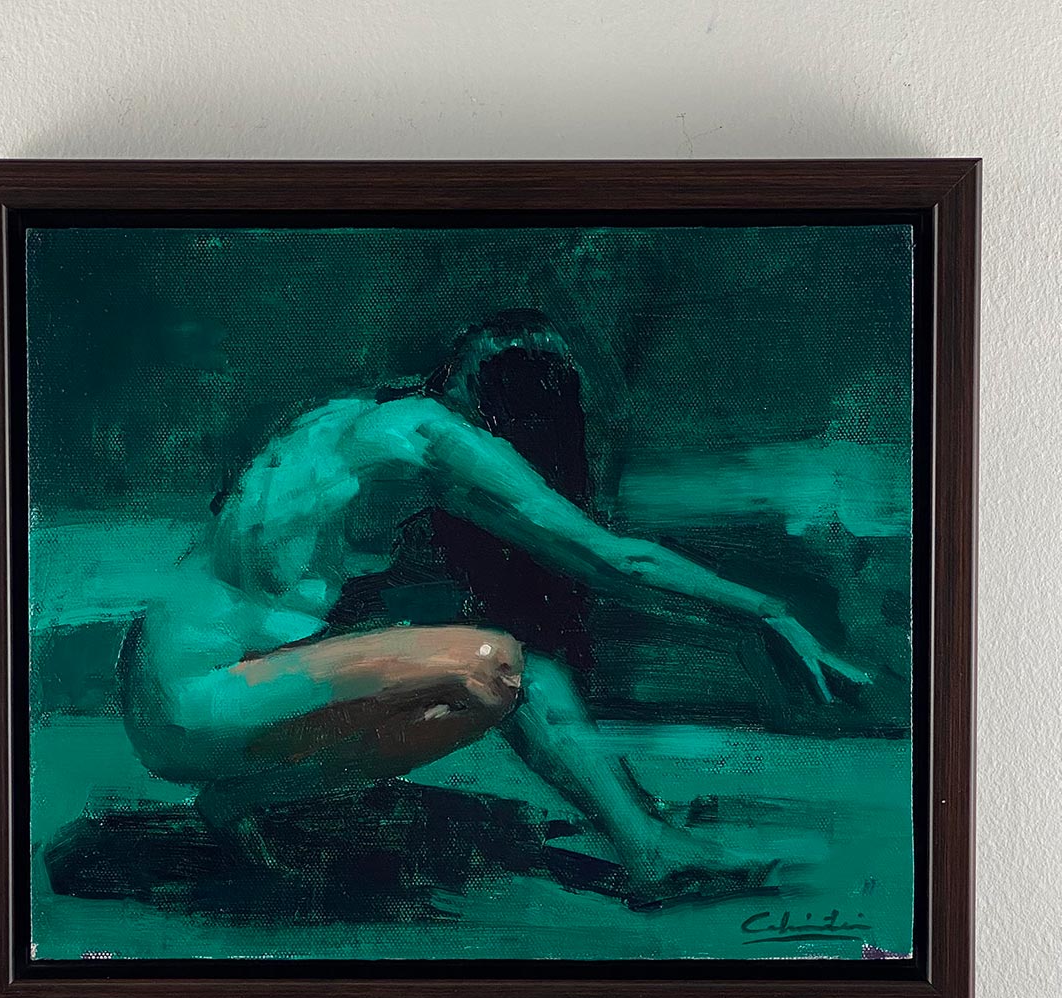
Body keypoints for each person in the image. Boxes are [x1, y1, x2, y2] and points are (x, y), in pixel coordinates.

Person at [118, 313, 868, 906]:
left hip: (165, 682)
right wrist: (768, 610)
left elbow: (287, 581)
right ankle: (650, 849)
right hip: (208, 701)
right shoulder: (437, 437)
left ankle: (645, 844)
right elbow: (614, 559)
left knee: (519, 666)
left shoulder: (352, 423)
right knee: (493, 667)